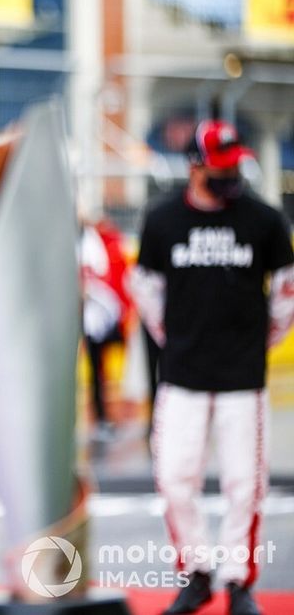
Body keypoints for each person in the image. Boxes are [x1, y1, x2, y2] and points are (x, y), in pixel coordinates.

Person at [130, 120, 294, 615]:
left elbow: (286, 292)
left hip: (243, 376)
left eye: (234, 163)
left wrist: (256, 343)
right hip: (182, 374)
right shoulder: (162, 222)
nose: (230, 174)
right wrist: (176, 339)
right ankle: (197, 573)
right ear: (195, 165)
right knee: (175, 477)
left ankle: (238, 583)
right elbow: (146, 291)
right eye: (219, 165)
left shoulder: (264, 220)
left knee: (245, 482)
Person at [79, 215, 131, 441]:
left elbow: (101, 274)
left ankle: (101, 417)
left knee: (97, 366)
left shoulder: (92, 243)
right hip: (77, 314)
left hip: (95, 315)